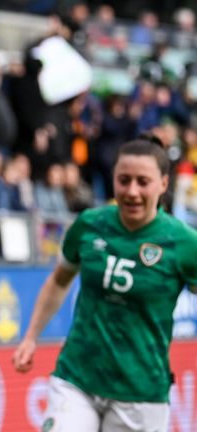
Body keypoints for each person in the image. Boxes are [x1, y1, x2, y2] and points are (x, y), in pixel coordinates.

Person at [12, 135, 197, 431]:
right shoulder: (89, 224)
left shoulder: (184, 243)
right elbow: (59, 281)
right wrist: (31, 336)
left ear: (163, 184)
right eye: (124, 180)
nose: (132, 191)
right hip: (77, 377)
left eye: (143, 181)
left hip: (142, 392)